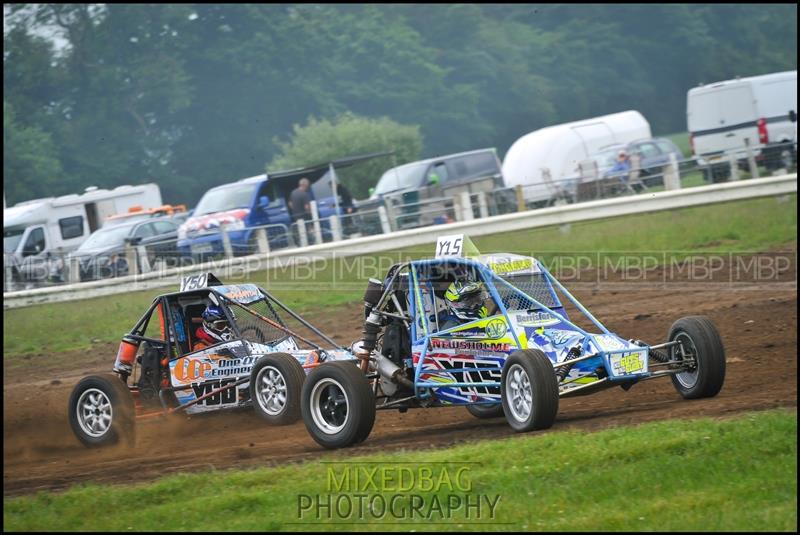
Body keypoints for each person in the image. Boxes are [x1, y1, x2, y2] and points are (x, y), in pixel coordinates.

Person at [288, 177, 313, 245]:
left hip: (295, 216)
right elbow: (307, 207)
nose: (308, 187)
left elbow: (290, 204)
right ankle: (308, 245)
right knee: (306, 233)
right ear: (305, 185)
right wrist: (310, 213)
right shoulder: (304, 194)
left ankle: (300, 244)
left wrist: (295, 209)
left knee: (299, 233)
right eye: (308, 185)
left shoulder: (293, 192)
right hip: (304, 216)